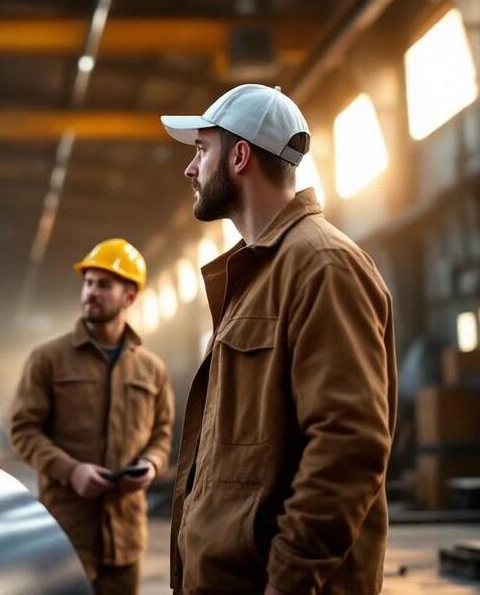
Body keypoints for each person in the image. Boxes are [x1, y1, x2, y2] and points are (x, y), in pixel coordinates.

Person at [159, 84, 397, 594]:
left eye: (202, 150)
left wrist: (290, 580)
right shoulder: (256, 274)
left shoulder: (322, 265)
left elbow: (347, 444)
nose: (190, 169)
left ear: (240, 155)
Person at [11, 238, 174, 595]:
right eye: (88, 282)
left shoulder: (151, 370)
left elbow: (162, 434)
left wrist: (151, 465)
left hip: (125, 539)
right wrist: (72, 471)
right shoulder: (48, 359)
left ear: (129, 297)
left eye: (104, 284)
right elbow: (23, 430)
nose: (91, 292)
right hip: (65, 534)